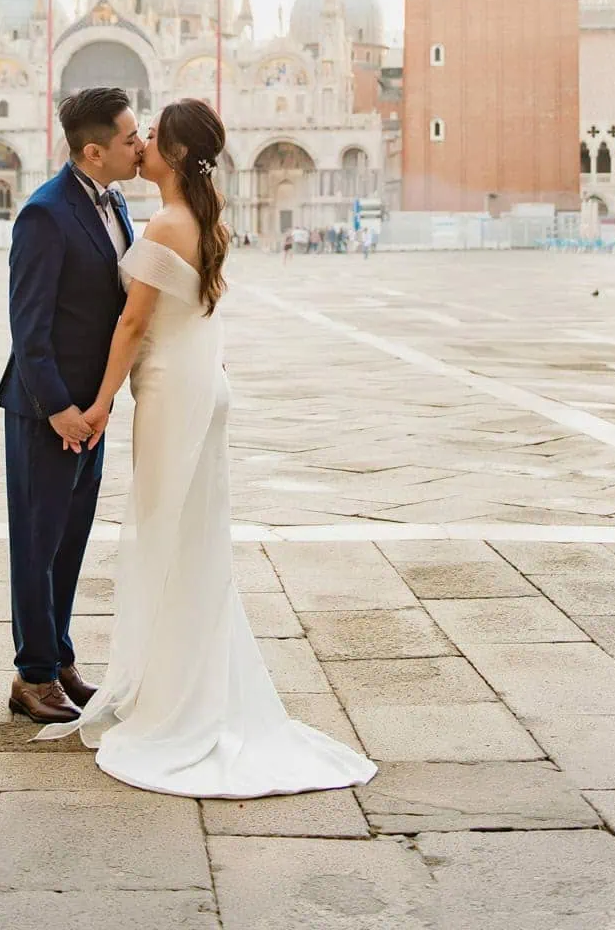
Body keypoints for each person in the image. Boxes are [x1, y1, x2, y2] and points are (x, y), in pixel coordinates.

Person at [48, 97, 376, 799]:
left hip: (174, 391)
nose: (140, 149)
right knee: (191, 545)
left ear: (172, 155)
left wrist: (101, 400)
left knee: (168, 544)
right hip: (201, 385)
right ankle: (180, 684)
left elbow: (134, 324)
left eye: (151, 140)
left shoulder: (167, 223)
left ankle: (177, 701)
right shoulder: (197, 216)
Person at [0, 86, 143, 723]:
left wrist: (98, 404)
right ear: (93, 151)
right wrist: (59, 408)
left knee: (71, 540)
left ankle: (58, 658)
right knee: (37, 541)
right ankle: (31, 675)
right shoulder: (45, 213)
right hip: (46, 413)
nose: (142, 146)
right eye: (131, 139)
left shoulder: (117, 204)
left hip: (93, 410)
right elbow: (28, 327)